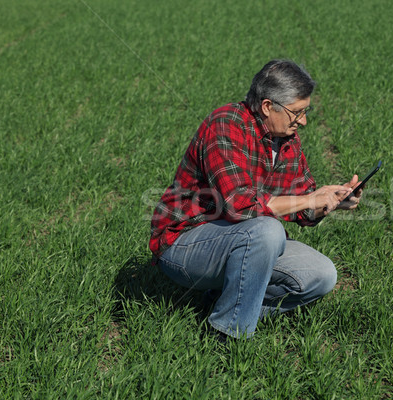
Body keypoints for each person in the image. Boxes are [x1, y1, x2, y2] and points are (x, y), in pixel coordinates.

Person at [149, 59, 362, 339]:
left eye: (306, 111)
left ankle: (225, 304)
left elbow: (301, 205)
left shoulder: (286, 139)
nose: (304, 121)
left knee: (322, 275)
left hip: (244, 240)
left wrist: (330, 200)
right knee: (267, 230)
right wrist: (309, 199)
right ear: (267, 106)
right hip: (184, 244)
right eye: (297, 112)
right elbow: (242, 206)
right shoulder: (225, 125)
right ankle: (228, 334)